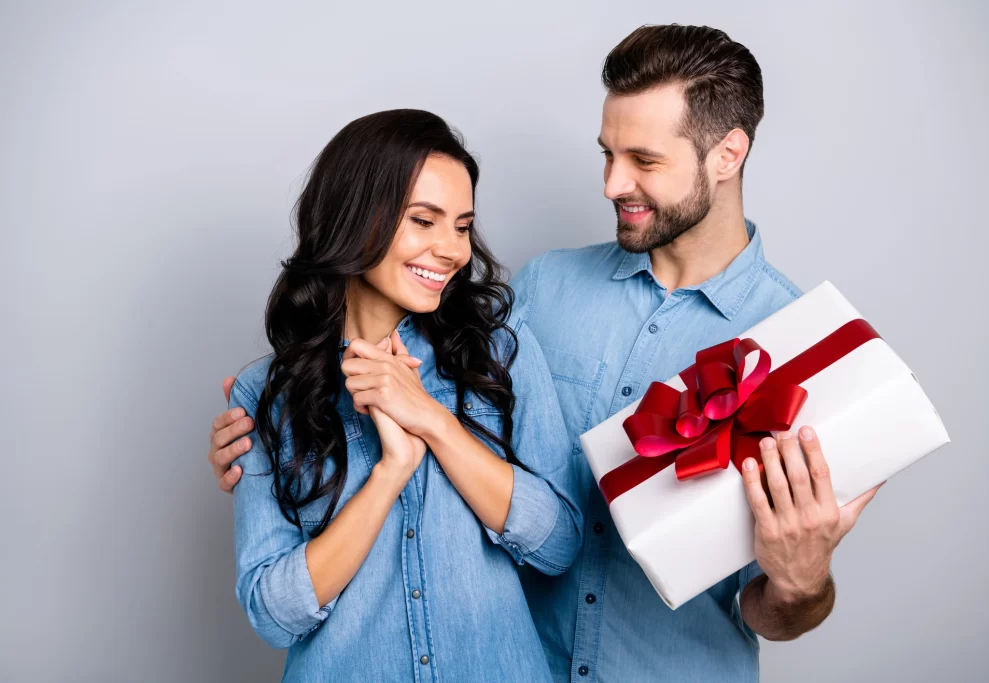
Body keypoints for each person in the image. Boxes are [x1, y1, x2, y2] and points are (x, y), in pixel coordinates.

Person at [209, 26, 881, 683]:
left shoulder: (801, 347)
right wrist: (273, 419)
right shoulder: (539, 292)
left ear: (728, 154)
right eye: (606, 154)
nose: (612, 183)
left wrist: (803, 579)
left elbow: (768, 603)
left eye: (643, 160)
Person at [224, 108, 583, 682]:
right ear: (355, 217)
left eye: (462, 226)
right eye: (424, 220)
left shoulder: (501, 354)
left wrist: (435, 423)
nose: (452, 250)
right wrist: (392, 471)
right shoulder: (264, 393)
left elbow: (560, 543)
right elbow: (272, 613)